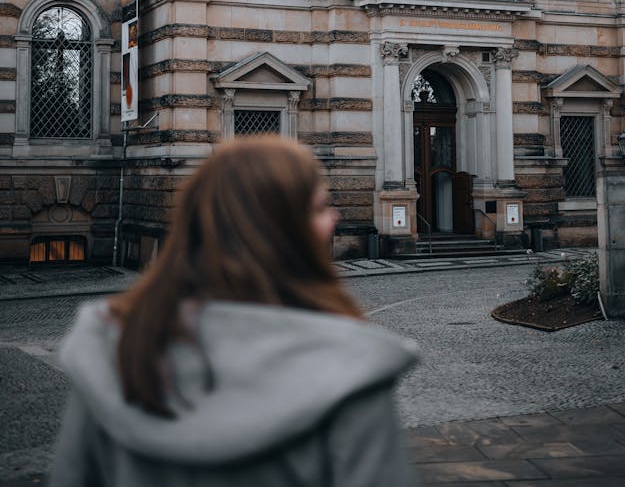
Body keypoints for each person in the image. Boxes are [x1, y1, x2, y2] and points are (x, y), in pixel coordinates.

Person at [50, 136, 419, 486]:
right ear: (277, 228)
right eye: (320, 207)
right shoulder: (349, 371)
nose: (335, 218)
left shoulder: (114, 353)